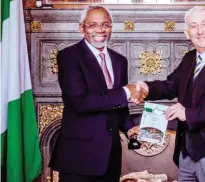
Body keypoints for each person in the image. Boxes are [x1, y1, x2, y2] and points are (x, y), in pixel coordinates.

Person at [134, 6, 205, 182]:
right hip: (187, 153)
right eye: (193, 26)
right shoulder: (189, 58)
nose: (199, 31)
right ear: (186, 32)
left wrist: (187, 113)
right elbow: (170, 85)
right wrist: (146, 88)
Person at [49, 5, 147, 182]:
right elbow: (80, 102)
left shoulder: (119, 61)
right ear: (81, 28)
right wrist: (126, 91)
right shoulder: (69, 57)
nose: (100, 30)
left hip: (111, 156)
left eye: (105, 24)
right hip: (79, 157)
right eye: (92, 25)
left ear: (111, 28)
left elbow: (119, 104)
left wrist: (129, 127)